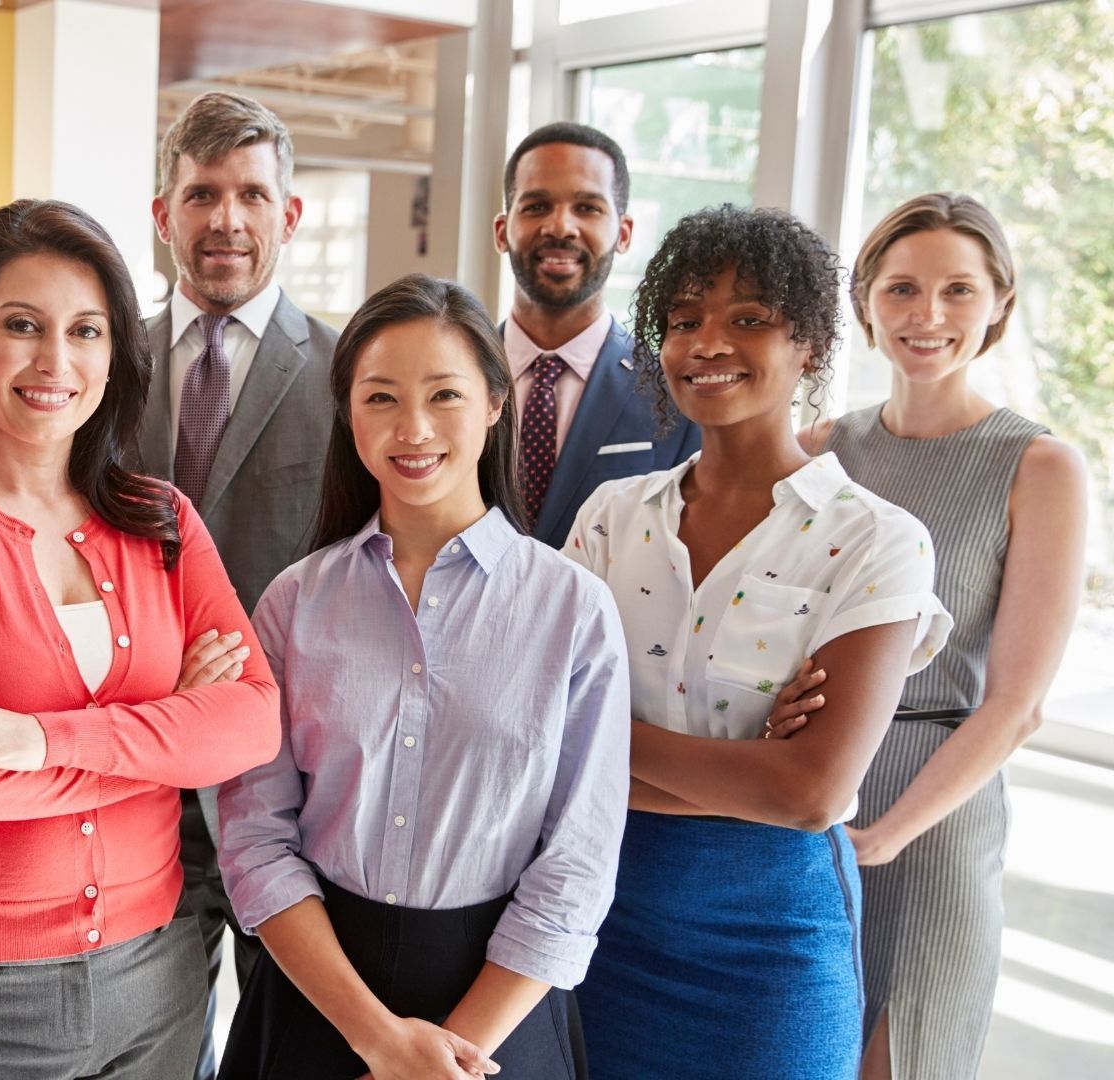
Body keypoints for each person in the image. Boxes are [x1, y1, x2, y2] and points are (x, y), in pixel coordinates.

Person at [0, 198, 280, 1078]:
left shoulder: (161, 519)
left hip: (159, 975)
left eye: (86, 331)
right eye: (22, 325)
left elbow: (253, 723)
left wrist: (27, 738)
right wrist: (167, 725)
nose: (55, 361)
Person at [565, 205, 952, 1080]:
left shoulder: (876, 540)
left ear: (809, 343)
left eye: (748, 319)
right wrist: (745, 776)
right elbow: (540, 740)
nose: (709, 343)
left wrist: (606, 745)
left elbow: (814, 793)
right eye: (685, 319)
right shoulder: (611, 519)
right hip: (593, 915)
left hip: (771, 940)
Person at [216, 274, 630, 1080]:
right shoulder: (293, 604)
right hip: (319, 1002)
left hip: (500, 1018)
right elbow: (256, 841)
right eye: (380, 399)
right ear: (347, 412)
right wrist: (379, 1039)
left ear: (495, 403)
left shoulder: (573, 609)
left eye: (445, 395)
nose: (413, 428)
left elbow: (577, 863)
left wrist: (445, 1059)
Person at [802, 193, 1088, 1080]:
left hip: (935, 822)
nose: (928, 316)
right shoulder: (818, 450)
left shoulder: (1039, 466)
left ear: (1000, 302)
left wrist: (888, 834)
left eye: (959, 291)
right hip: (806, 801)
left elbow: (1017, 706)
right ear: (866, 302)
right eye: (903, 289)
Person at [143, 91, 338, 1074]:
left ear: (289, 214)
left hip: (293, 787)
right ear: (162, 212)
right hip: (135, 782)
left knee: (284, 1053)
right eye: (203, 193)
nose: (227, 220)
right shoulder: (93, 363)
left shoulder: (352, 377)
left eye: (253, 195)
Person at [493, 122, 699, 547]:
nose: (561, 227)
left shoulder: (675, 393)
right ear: (502, 230)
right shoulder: (452, 378)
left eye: (587, 208)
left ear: (623, 234)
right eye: (536, 206)